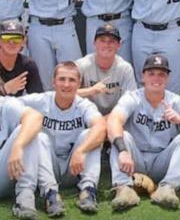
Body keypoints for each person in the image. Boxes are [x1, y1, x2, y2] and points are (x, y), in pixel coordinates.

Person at [107, 54, 180, 211]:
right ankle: (123, 188)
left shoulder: (177, 101)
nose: (156, 78)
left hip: (162, 161)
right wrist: (123, 151)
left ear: (167, 78)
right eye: (151, 73)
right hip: (134, 159)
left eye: (161, 74)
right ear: (143, 76)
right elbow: (113, 120)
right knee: (121, 136)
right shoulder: (132, 97)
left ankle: (168, 188)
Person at [20, 61, 106, 214]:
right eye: (62, 79)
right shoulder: (41, 100)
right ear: (53, 82)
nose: (66, 84)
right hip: (47, 166)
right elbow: (7, 104)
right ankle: (50, 194)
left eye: (72, 80)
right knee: (39, 137)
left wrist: (81, 150)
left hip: (74, 167)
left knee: (90, 134)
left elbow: (100, 127)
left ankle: (88, 191)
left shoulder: (84, 105)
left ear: (79, 83)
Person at [76, 23, 136, 116]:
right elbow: (65, 94)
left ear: (119, 45)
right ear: (94, 43)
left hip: (116, 117)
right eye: (102, 40)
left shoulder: (125, 68)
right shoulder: (82, 65)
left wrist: (109, 119)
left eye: (112, 41)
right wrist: (92, 90)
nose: (107, 44)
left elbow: (131, 102)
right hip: (87, 116)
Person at [0, 96, 43, 220]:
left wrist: (17, 146)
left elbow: (35, 117)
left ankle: (25, 198)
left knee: (26, 129)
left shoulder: (6, 104)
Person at [0, 20, 42, 96]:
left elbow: (38, 99)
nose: (11, 42)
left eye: (17, 38)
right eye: (6, 38)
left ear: (23, 41)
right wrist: (5, 89)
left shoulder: (28, 65)